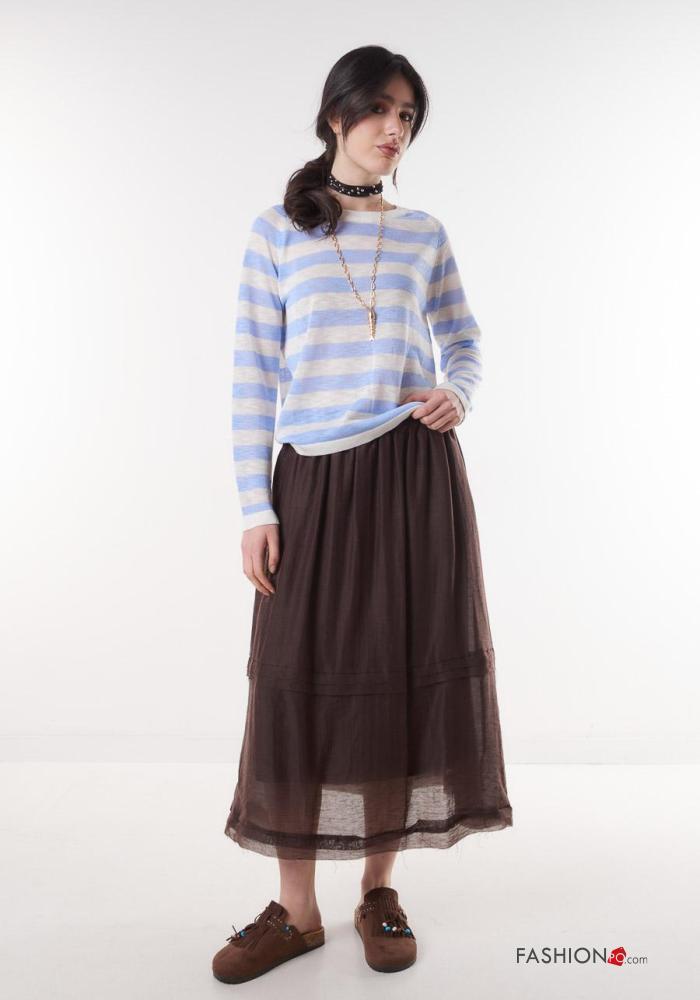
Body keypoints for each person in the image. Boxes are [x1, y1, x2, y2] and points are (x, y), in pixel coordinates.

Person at [212, 45, 513, 984]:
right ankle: (296, 910)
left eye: (408, 116)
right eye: (380, 109)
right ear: (336, 114)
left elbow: (464, 338)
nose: (395, 129)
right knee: (296, 682)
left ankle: (379, 890)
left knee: (400, 674)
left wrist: (457, 391)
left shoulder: (422, 233)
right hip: (313, 481)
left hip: (414, 475)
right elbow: (253, 374)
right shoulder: (276, 232)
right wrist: (255, 504)